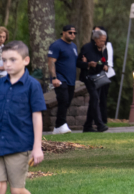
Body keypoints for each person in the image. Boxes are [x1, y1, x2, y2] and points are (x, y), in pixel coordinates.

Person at [0, 41, 45, 194]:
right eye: (4, 60)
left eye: (12, 60)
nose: (7, 64)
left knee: (17, 190)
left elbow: (37, 116)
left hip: (19, 145)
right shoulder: (0, 84)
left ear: (26, 60)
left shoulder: (32, 86)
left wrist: (37, 147)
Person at [47, 25, 79, 134]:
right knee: (64, 99)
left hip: (71, 79)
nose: (72, 35)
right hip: (60, 78)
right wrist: (54, 78)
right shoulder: (56, 45)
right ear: (63, 33)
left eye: (74, 33)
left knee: (67, 101)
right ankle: (62, 124)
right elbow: (51, 62)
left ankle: (57, 127)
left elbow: (75, 61)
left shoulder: (74, 46)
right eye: (70, 32)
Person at [77, 29, 109, 133]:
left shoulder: (104, 49)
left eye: (104, 41)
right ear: (95, 39)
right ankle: (100, 125)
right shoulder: (87, 48)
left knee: (94, 101)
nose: (102, 43)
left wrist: (105, 65)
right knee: (95, 98)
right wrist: (88, 64)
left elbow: (104, 60)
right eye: (101, 41)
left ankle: (87, 126)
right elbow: (78, 63)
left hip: (99, 77)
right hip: (89, 77)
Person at [92, 26, 114, 125]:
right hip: (94, 75)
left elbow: (108, 61)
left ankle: (103, 119)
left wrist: (104, 65)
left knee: (102, 98)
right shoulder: (91, 47)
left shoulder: (107, 45)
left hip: (104, 75)